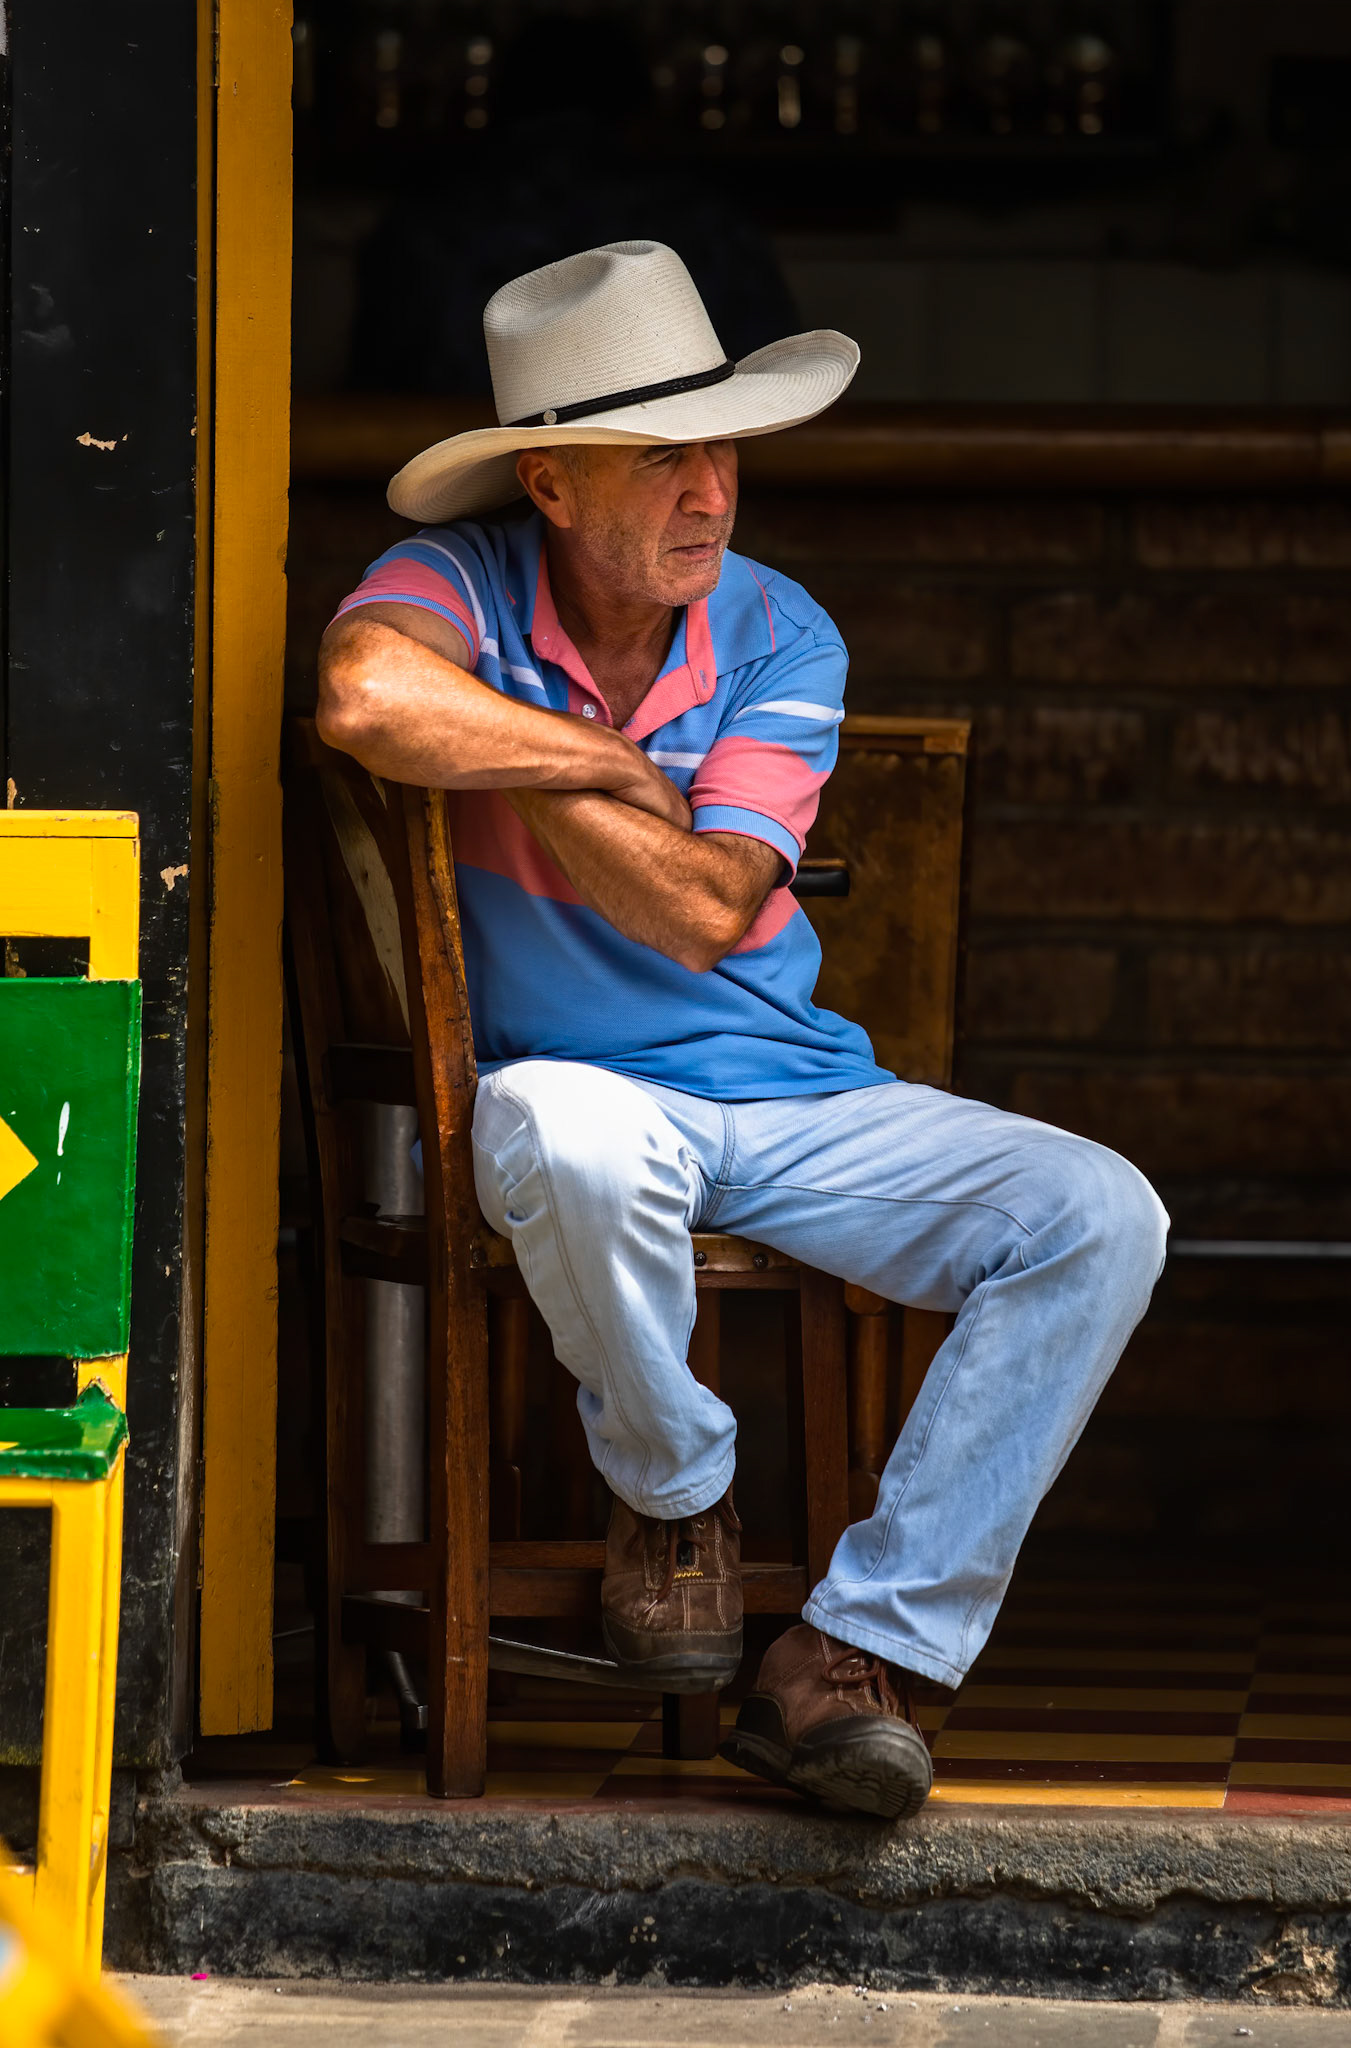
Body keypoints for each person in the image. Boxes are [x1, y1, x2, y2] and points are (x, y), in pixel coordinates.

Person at [317, 239, 1169, 1822]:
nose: (710, 493)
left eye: (723, 449)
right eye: (661, 461)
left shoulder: (779, 629)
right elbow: (368, 702)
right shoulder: (453, 581)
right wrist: (606, 762)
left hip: (784, 1093)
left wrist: (516, 758)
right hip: (560, 1084)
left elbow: (709, 913)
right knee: (573, 1139)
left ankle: (849, 1653)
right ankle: (676, 1501)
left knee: (1094, 1212)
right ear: (552, 486)